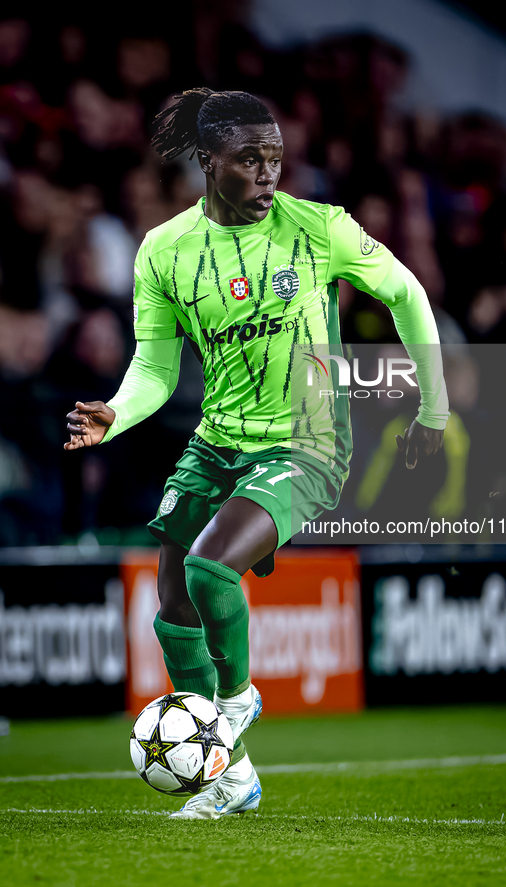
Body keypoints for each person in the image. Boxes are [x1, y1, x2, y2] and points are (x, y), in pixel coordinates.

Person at [64, 88, 449, 819]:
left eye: (274, 156)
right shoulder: (165, 251)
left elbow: (405, 294)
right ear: (208, 163)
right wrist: (113, 414)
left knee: (211, 569)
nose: (268, 172)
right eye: (249, 159)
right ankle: (229, 778)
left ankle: (233, 704)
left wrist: (433, 407)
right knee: (171, 601)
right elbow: (154, 368)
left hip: (306, 439)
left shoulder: (321, 228)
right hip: (217, 440)